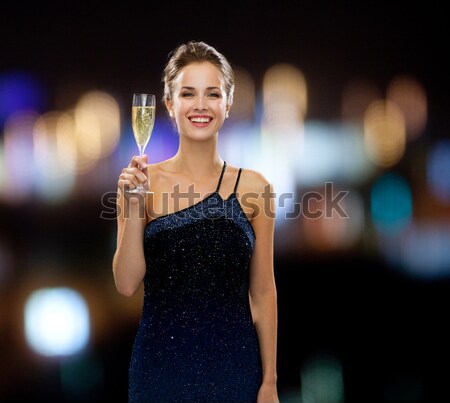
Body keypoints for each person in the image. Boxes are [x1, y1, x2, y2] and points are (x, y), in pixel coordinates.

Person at [112, 40, 279, 403]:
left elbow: (264, 291)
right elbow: (126, 283)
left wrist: (269, 382)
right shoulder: (140, 182)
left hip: (236, 371)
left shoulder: (255, 188)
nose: (201, 105)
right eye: (188, 93)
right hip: (158, 374)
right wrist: (133, 203)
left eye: (212, 94)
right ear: (169, 104)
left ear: (228, 104)